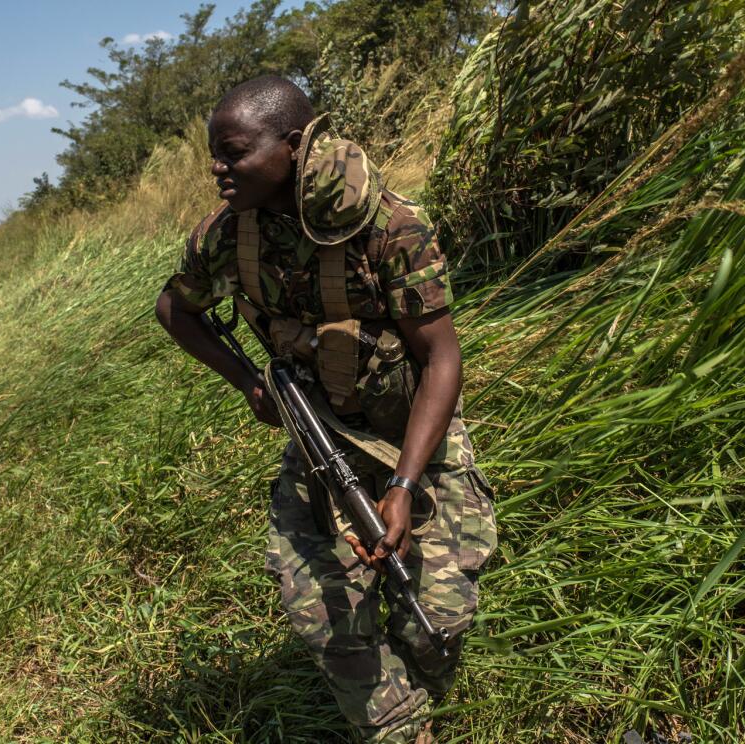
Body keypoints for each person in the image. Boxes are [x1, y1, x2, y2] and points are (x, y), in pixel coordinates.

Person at [155, 74, 497, 744]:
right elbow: (176, 309)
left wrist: (402, 486)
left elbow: (442, 361)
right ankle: (400, 730)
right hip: (320, 442)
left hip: (409, 437)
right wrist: (250, 382)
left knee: (437, 621)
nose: (216, 167)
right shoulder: (230, 237)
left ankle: (424, 675)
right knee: (326, 615)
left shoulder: (391, 228)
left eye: (233, 152)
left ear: (291, 147)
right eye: (214, 154)